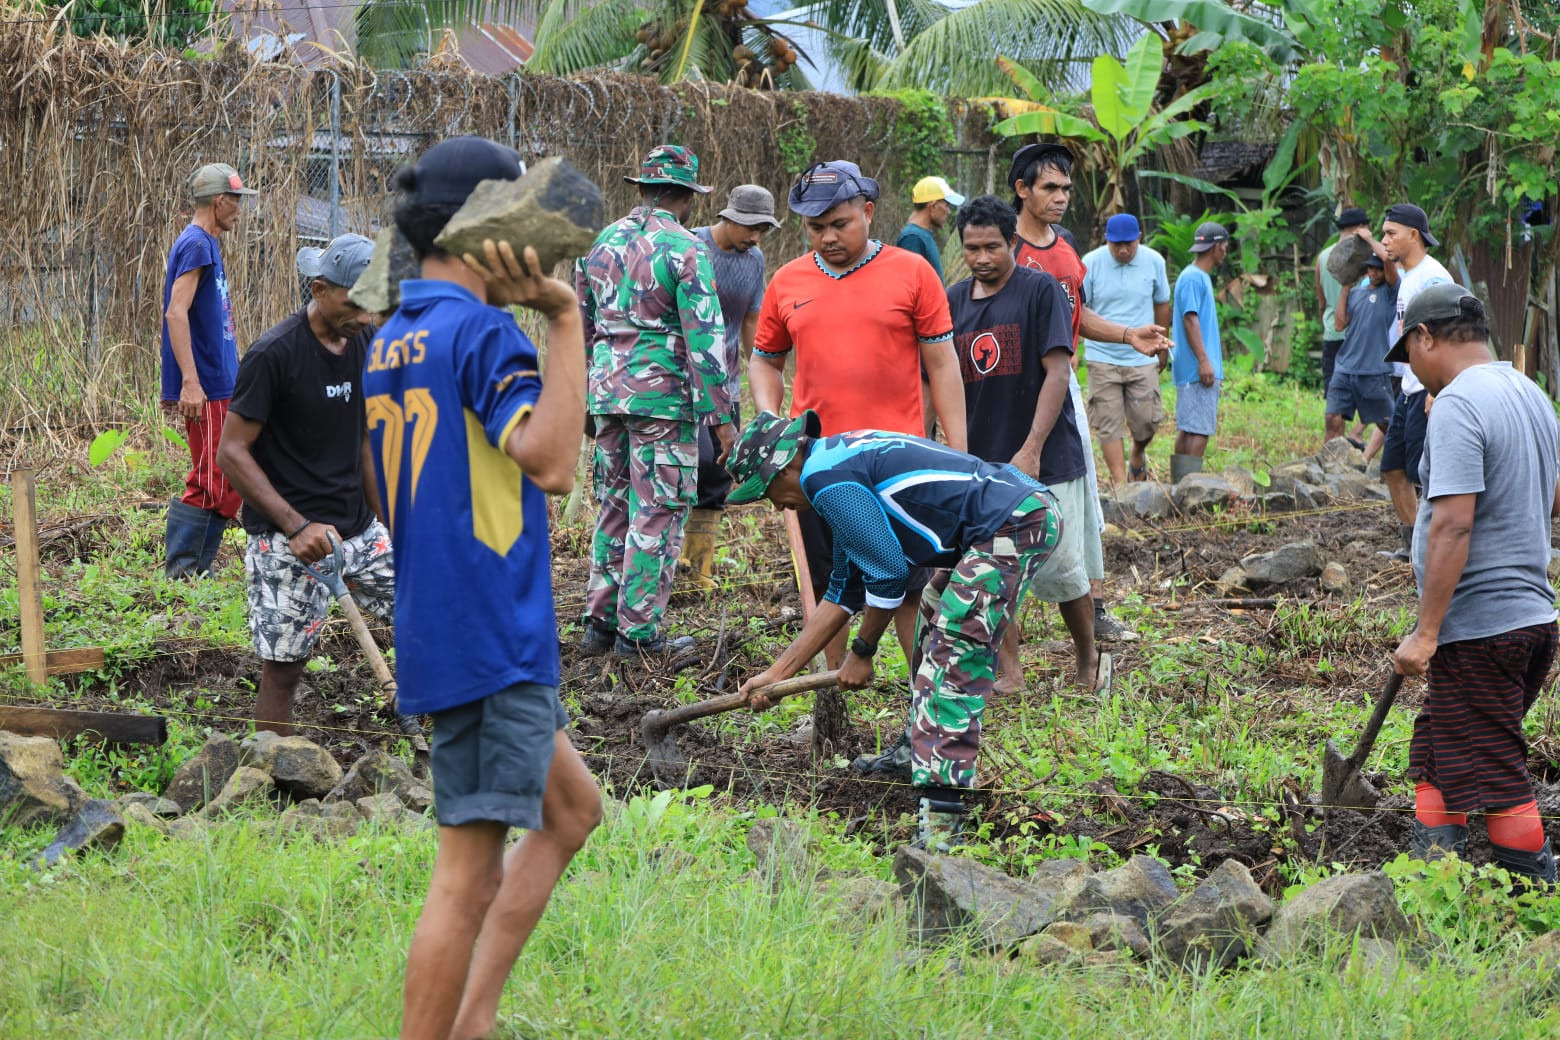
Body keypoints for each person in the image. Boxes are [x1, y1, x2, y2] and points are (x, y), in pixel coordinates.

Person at [362, 136, 601, 1040]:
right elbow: (549, 462)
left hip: (440, 622)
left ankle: (476, 1017)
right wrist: (565, 319)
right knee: (466, 874)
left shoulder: (390, 337)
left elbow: (377, 486)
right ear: (485, 234)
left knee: (574, 810)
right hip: (492, 638)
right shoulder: (482, 328)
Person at [727, 411, 1061, 851]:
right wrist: (778, 673)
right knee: (935, 608)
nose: (777, 506)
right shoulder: (831, 466)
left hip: (1015, 521)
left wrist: (862, 650)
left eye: (768, 491)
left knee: (953, 656)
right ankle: (915, 749)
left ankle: (942, 825)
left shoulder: (827, 479)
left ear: (785, 466)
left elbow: (886, 575)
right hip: (1007, 517)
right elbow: (845, 591)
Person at [749, 159, 966, 682]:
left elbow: (942, 363)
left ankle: (927, 699)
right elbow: (764, 359)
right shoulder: (786, 281)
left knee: (908, 586)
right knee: (831, 585)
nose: (826, 237)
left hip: (896, 467)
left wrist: (958, 453)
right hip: (816, 468)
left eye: (839, 224)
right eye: (815, 227)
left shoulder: (912, 273)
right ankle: (831, 696)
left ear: (868, 213)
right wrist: (767, 419)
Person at [1388, 283, 1560, 883]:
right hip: (1533, 620)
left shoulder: (1460, 403)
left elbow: (1454, 525)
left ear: (1427, 337)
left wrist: (1427, 631)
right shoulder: (1529, 391)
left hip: (1482, 627)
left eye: (1408, 350)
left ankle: (1535, 884)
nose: (1411, 366)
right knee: (1441, 744)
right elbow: (1553, 499)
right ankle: (1433, 871)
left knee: (1491, 757)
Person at [216, 234, 390, 735]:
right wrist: (296, 527)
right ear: (319, 288)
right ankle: (270, 775)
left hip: (358, 532)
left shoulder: (365, 341)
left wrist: (393, 522)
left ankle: (459, 739)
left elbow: (363, 443)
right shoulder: (274, 354)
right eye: (355, 303)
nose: (365, 316)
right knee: (284, 668)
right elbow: (231, 453)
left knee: (435, 610)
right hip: (288, 539)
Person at [575, 145, 737, 655]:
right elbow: (705, 340)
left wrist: (588, 395)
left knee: (614, 503)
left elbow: (581, 328)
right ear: (688, 195)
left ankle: (599, 620)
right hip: (662, 400)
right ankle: (639, 632)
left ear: (641, 187)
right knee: (659, 510)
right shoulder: (684, 247)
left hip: (606, 392)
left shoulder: (597, 245)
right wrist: (722, 419)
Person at [947, 194, 1104, 697]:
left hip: (1047, 455)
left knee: (1062, 569)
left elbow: (1057, 370)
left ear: (1011, 240)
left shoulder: (1040, 292)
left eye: (992, 246)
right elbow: (941, 378)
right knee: (995, 570)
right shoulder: (952, 301)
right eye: (972, 248)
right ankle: (1009, 672)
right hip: (983, 458)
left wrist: (1033, 446)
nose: (982, 258)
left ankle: (1088, 658)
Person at [1010, 142, 1166, 641]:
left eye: (1066, 189)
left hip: (1064, 389)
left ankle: (1094, 610)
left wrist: (1126, 333)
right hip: (1011, 392)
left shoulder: (1066, 245)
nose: (1060, 197)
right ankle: (998, 624)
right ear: (1022, 189)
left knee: (1081, 500)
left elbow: (1074, 316)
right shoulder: (1002, 247)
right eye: (1050, 188)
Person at [160, 162, 258, 578]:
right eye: (236, 201)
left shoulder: (205, 242)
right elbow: (176, 313)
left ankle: (196, 569)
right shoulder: (198, 244)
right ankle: (184, 573)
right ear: (220, 201)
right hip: (207, 384)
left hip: (219, 380)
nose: (240, 209)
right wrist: (190, 382)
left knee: (225, 475)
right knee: (213, 477)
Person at [681, 184, 779, 589]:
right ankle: (670, 561)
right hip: (684, 383)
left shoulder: (753, 260)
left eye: (763, 229)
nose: (756, 237)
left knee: (720, 472)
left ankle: (697, 568)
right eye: (751, 226)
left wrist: (763, 367)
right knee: (695, 463)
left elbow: (752, 321)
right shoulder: (691, 246)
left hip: (727, 384)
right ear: (729, 216)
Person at [1379, 203, 1453, 561]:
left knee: (1425, 474)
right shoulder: (1407, 276)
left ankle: (1433, 551)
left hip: (1427, 389)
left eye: (1391, 233)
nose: (1385, 240)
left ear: (1414, 235)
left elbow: (1449, 335)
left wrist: (1439, 390)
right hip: (1408, 388)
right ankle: (1414, 547)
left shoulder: (1434, 278)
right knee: (1393, 468)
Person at [1080, 213, 1171, 484]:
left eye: (1128, 244)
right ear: (1106, 240)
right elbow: (1079, 310)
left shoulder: (1154, 261)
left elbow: (1162, 303)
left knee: (1146, 421)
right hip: (1102, 355)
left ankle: (1137, 454)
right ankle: (1122, 486)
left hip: (1141, 356)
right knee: (1108, 423)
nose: (1122, 250)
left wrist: (1162, 346)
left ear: (1139, 238)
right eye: (1116, 244)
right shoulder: (1091, 263)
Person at [1169, 221, 1230, 482]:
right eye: (1224, 247)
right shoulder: (1193, 277)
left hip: (1192, 367)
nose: (1225, 252)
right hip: (1197, 368)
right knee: (1199, 430)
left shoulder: (1195, 276)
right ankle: (1189, 488)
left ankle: (1179, 486)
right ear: (1216, 247)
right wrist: (1204, 361)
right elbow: (1190, 319)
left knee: (1189, 428)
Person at [1325, 247, 1398, 449]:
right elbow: (1340, 324)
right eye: (1370, 269)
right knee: (1333, 418)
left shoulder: (1391, 292)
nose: (1373, 273)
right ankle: (1328, 466)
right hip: (1345, 368)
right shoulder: (1357, 293)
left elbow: (1389, 262)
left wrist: (1367, 240)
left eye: (1378, 269)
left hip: (1374, 370)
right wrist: (1345, 290)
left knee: (1387, 424)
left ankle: (1404, 466)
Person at [1316, 208, 1370, 408]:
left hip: (1332, 334)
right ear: (1361, 228)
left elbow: (1321, 302)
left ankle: (1335, 435)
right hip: (1358, 336)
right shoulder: (1366, 257)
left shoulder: (1322, 258)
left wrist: (1326, 323)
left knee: (1333, 396)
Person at [896, 175, 965, 282]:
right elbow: (910, 286)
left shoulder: (923, 234)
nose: (948, 211)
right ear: (933, 206)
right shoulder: (912, 238)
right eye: (947, 205)